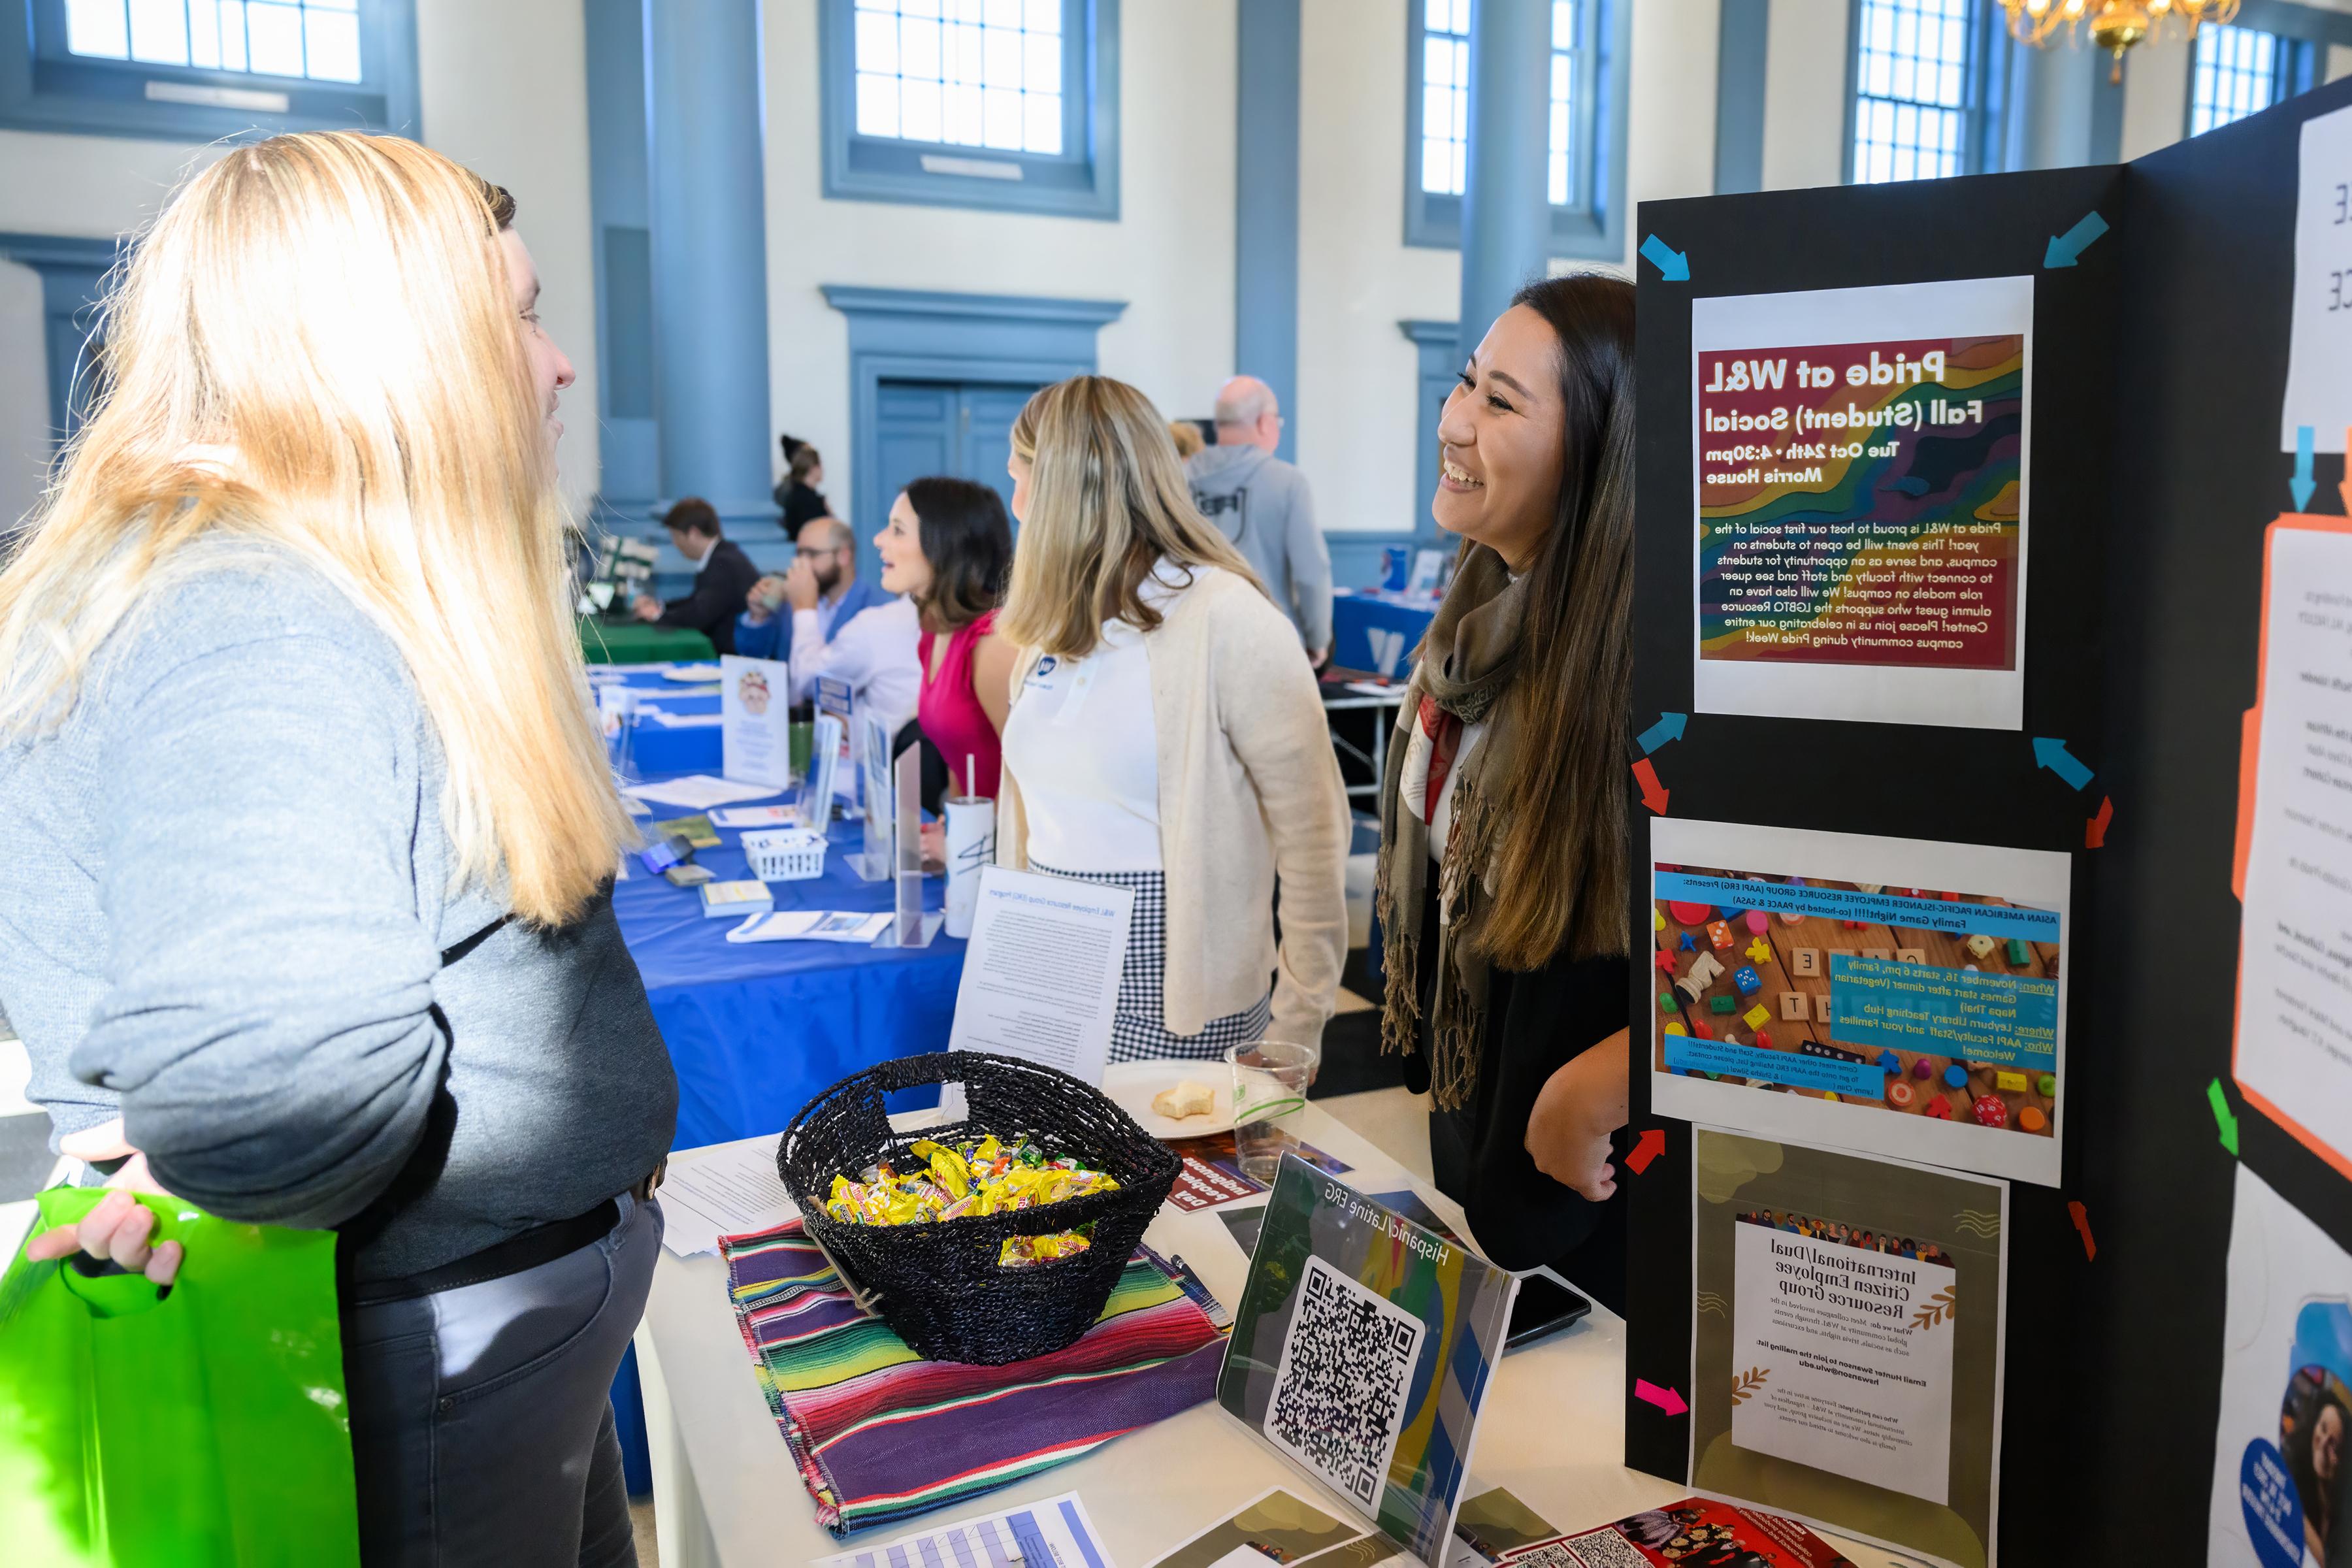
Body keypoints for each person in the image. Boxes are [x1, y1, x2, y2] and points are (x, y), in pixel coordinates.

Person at [0, 133, 674, 1565]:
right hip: (437, 1358)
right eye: (526, 315)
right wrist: (217, 1152)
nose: (556, 367)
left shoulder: (269, 579)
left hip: (491, 1343)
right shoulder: (255, 613)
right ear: (401, 349)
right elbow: (272, 1089)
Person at [1375, 274, 1635, 1312]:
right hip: (1477, 1121)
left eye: (1499, 402)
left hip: (1597, 1189)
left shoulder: (1644, 682)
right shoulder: (1476, 619)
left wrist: (1609, 1080)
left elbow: (1780, 938)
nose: (1452, 421)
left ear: (1600, 451)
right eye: (1463, 385)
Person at [998, 375, 1350, 1062]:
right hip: (1044, 974)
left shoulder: (1229, 619)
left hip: (1175, 991)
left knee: (1173, 1173)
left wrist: (1297, 1026)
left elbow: (1315, 841)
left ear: (1069, 486)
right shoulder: (1045, 631)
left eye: (1022, 480)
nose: (1017, 505)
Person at [872, 476, 1017, 801]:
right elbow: (959, 756)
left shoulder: (993, 645)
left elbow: (1029, 778)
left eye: (898, 530)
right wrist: (952, 824)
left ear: (944, 544)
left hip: (1006, 843)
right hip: (971, 835)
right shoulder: (935, 633)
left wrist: (977, 837)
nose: (879, 540)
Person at [1184, 374, 1333, 666]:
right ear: (1265, 423)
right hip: (1269, 647)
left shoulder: (1177, 478)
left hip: (1195, 646)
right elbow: (1311, 574)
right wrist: (1317, 640)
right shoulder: (1288, 482)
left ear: (1218, 425)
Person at [736, 514, 890, 660]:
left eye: (812, 554)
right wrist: (758, 617)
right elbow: (753, 655)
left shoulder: (877, 608)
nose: (800, 564)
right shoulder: (790, 602)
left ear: (844, 557)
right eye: (799, 554)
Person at [630, 495, 759, 654]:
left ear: (693, 533)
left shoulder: (723, 563)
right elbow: (698, 601)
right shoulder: (722, 555)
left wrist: (657, 615)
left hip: (732, 656)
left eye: (676, 537)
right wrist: (661, 606)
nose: (675, 544)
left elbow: (700, 613)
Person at [774, 434, 832, 528]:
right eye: (819, 465)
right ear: (812, 467)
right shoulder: (803, 497)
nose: (823, 469)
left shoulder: (798, 491)